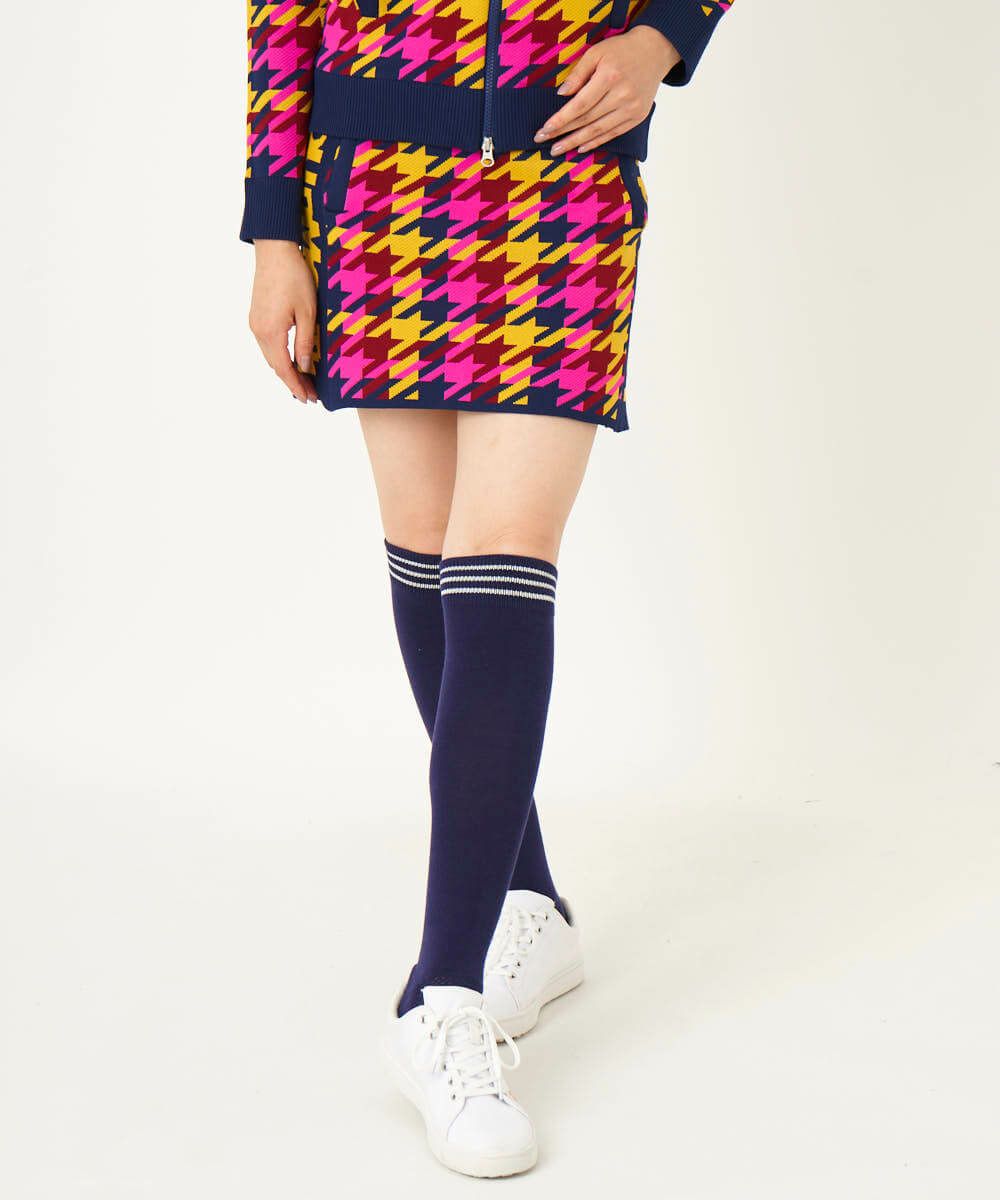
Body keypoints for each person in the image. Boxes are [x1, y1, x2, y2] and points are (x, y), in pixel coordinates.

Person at [241, 0, 732, 1177]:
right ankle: (534, 907)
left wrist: (664, 33)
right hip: (374, 182)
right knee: (426, 548)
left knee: (505, 547)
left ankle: (441, 995)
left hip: (562, 172)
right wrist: (273, 231)